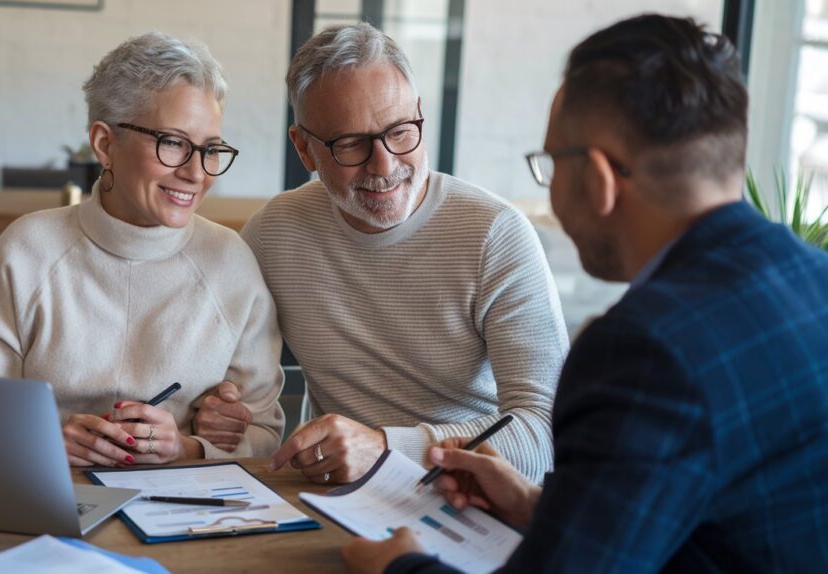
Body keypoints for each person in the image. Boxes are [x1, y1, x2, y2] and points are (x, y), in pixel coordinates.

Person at [342, 13, 828, 573]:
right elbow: (730, 512)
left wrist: (400, 567)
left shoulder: (642, 350)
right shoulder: (812, 278)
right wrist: (540, 509)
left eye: (550, 163)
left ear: (596, 179)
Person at [194, 23, 569, 485]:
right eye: (351, 143)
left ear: (419, 115)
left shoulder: (496, 234)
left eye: (400, 131)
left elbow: (548, 434)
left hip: (470, 499)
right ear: (305, 149)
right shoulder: (273, 235)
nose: (385, 165)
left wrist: (389, 448)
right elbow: (221, 379)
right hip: (335, 498)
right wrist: (218, 408)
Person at [0, 32, 285, 467]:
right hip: (45, 497)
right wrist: (48, 441)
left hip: (188, 512)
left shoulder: (230, 261)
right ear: (104, 144)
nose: (195, 172)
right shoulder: (27, 249)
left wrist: (186, 448)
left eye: (210, 149)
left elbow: (265, 435)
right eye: (172, 143)